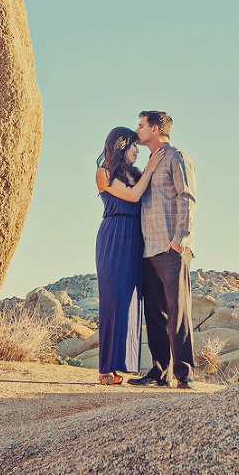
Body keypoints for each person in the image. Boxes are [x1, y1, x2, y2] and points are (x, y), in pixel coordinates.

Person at [129, 111, 197, 389]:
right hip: (149, 250)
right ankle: (159, 371)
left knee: (177, 311)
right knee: (155, 315)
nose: (138, 129)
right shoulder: (150, 162)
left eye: (142, 125)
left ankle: (185, 374)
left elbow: (187, 196)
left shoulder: (176, 157)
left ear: (155, 129)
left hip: (171, 248)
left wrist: (180, 239)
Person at [95, 127, 164, 386]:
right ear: (122, 146)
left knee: (131, 302)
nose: (138, 151)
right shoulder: (103, 173)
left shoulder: (136, 174)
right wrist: (150, 169)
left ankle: (121, 366)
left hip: (137, 240)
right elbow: (133, 196)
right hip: (113, 238)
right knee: (113, 301)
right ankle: (106, 369)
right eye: (134, 146)